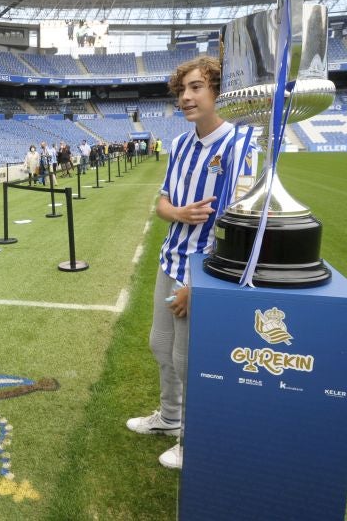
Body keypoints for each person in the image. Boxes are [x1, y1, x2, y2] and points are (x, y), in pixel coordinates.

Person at [125, 56, 254, 470]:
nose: (185, 97)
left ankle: (194, 438)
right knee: (160, 345)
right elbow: (162, 204)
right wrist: (179, 213)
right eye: (182, 90)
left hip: (203, 272)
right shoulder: (180, 144)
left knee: (188, 359)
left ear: (219, 91)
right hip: (171, 261)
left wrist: (198, 285)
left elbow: (241, 227)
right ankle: (169, 417)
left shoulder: (240, 146)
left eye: (196, 87)